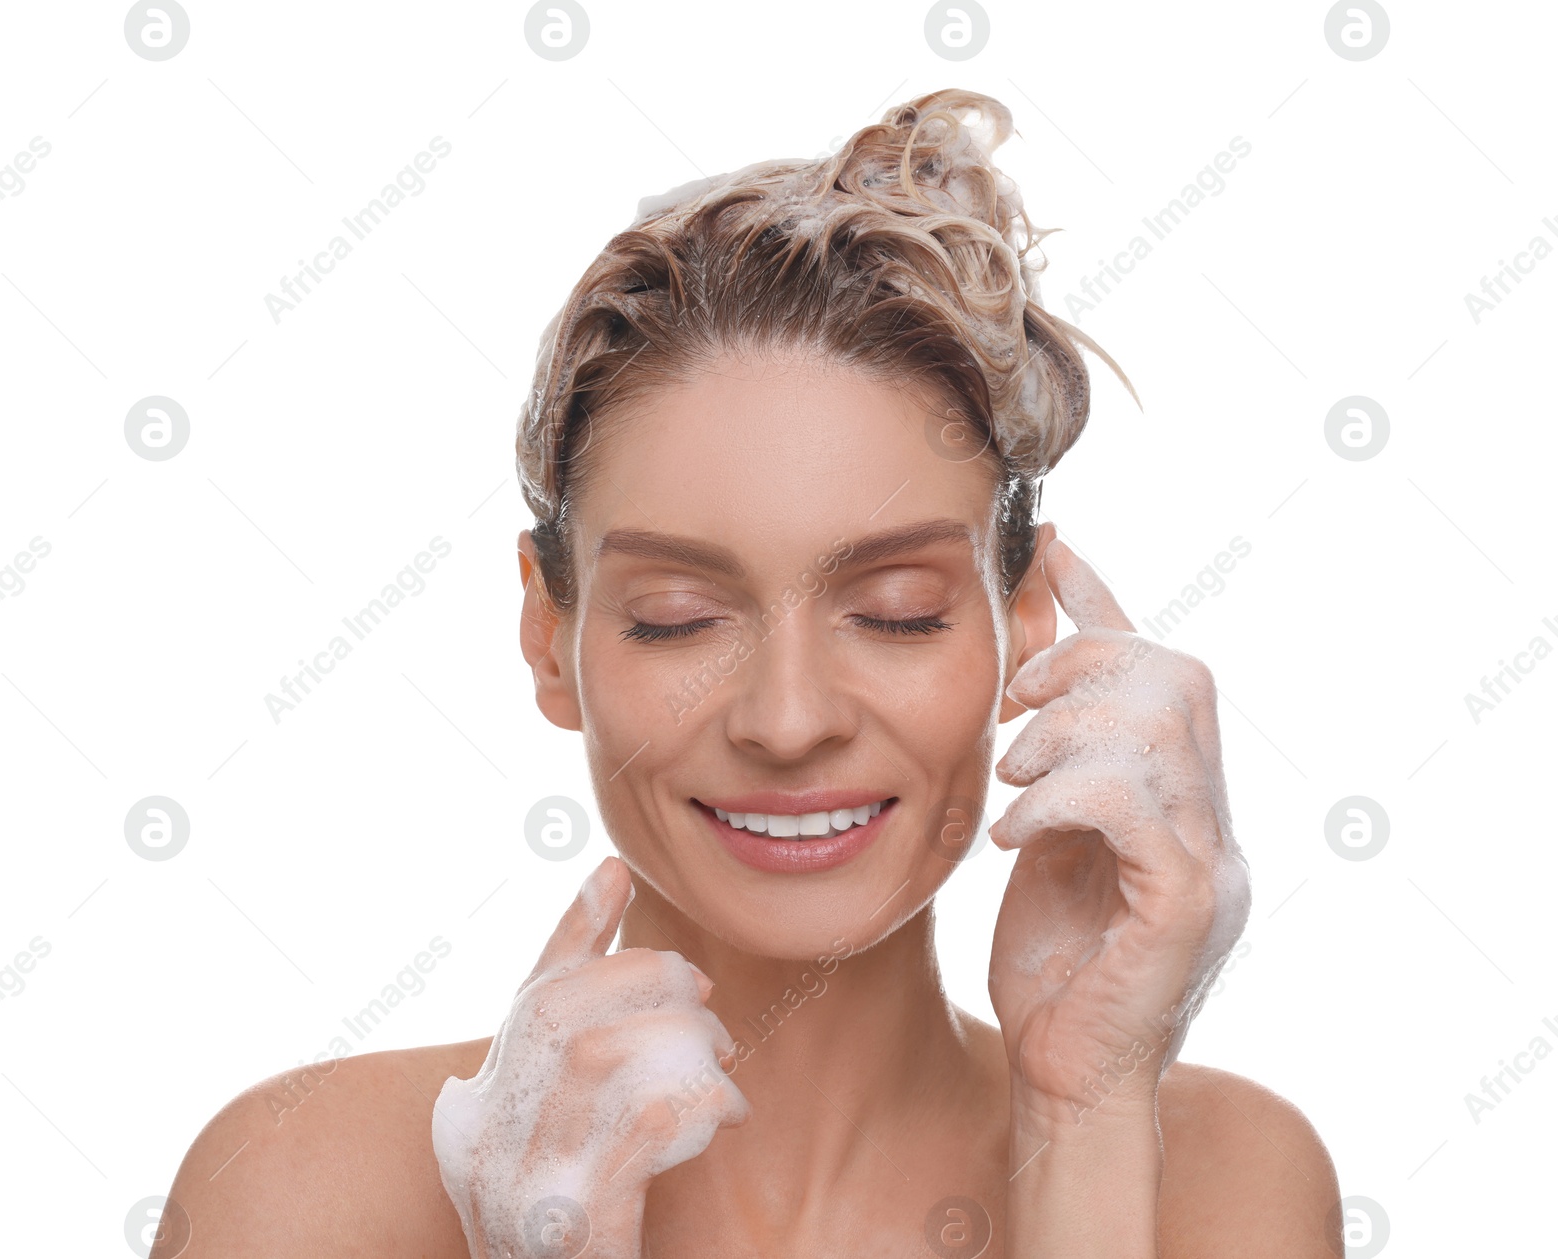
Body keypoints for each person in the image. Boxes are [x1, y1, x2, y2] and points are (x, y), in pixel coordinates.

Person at [156, 87, 1339, 1257]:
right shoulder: (301, 1189)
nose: (787, 719)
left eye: (896, 612)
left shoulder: (1221, 1184)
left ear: (1025, 623)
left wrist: (1077, 1117)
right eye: (676, 618)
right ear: (547, 636)